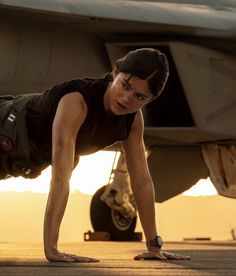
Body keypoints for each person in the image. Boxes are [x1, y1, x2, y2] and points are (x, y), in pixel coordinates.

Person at [0, 48, 190, 262]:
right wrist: (51, 249)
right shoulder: (76, 101)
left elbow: (141, 180)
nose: (127, 99)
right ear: (114, 72)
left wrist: (154, 246)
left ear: (150, 99)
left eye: (139, 96)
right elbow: (61, 177)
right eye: (125, 85)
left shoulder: (132, 121)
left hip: (16, 158)